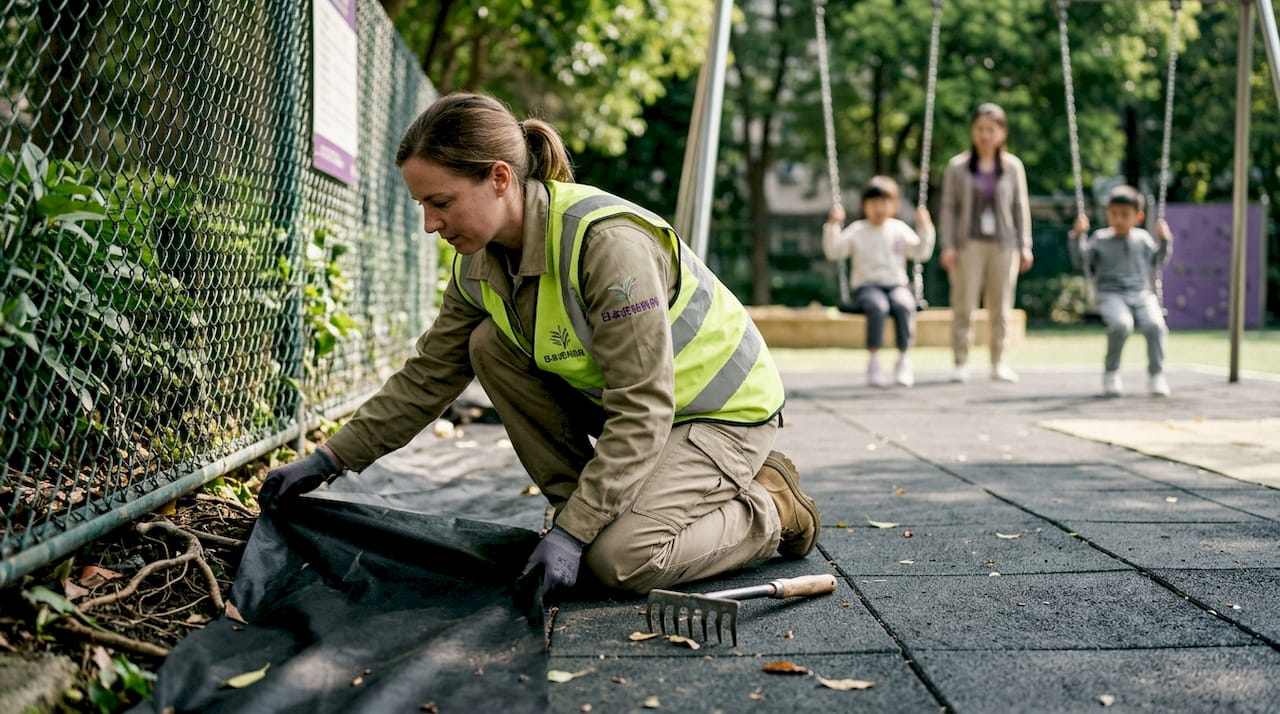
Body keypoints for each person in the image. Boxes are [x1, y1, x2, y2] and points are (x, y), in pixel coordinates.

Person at [257, 92, 821, 602]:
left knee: (619, 563)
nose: (430, 224)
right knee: (487, 345)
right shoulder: (477, 267)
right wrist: (328, 459)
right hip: (645, 416)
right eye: (422, 206)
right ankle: (587, 509)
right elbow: (428, 377)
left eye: (442, 202)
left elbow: (644, 406)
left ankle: (771, 503)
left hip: (720, 415)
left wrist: (576, 536)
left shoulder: (606, 246)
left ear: (499, 178)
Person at [938, 103, 1033, 383]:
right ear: (972, 131)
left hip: (1003, 244)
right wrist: (948, 245)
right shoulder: (957, 167)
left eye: (991, 130)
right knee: (964, 305)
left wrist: (1024, 244)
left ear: (1002, 133)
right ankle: (960, 361)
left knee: (1001, 306)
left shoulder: (1013, 167)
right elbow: (948, 208)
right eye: (980, 129)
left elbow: (1020, 207)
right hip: (968, 244)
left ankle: (998, 362)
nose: (985, 135)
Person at [823, 176, 935, 388]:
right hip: (867, 287)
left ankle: (903, 360)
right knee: (878, 307)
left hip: (896, 285)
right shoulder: (857, 230)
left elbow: (921, 252)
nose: (879, 208)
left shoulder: (898, 229)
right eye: (874, 203)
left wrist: (926, 227)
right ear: (865, 206)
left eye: (885, 202)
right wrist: (833, 225)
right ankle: (874, 362)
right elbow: (833, 251)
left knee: (904, 304)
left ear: (894, 205)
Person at [1068, 185, 1173, 397]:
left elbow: (1158, 260)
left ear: (1138, 216)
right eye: (1114, 214)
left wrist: (1165, 240)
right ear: (1108, 214)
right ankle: (1111, 372)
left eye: (1125, 215)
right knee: (1121, 324)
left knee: (1155, 325)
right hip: (1110, 294)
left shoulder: (1143, 239)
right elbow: (1081, 262)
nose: (1119, 220)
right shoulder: (1100, 239)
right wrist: (1076, 236)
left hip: (1142, 294)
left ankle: (1156, 375)